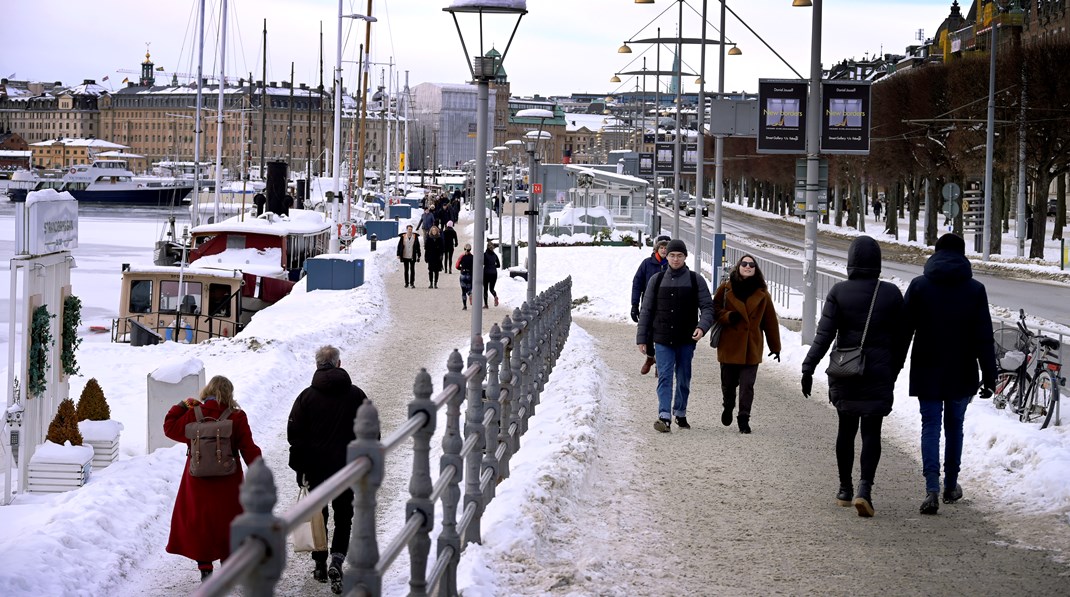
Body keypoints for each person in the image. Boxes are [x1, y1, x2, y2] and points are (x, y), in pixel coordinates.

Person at [801, 236, 908, 518]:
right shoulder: (891, 294)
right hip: (879, 372)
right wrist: (893, 369)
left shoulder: (839, 292)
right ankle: (865, 489)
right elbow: (902, 339)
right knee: (872, 432)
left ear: (850, 262)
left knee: (845, 429)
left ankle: (845, 489)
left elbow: (824, 336)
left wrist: (808, 367)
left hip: (846, 372)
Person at [903, 233, 997, 515]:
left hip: (926, 368)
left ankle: (931, 488)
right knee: (955, 427)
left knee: (930, 426)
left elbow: (903, 331)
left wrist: (892, 366)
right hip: (962, 368)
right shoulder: (975, 290)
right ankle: (951, 486)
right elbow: (984, 336)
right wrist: (990, 376)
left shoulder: (919, 286)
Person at [164, 375, 262, 581]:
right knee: (228, 521)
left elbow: (169, 427)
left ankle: (205, 568)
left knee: (202, 522)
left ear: (207, 391)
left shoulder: (193, 414)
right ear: (229, 393)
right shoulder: (237, 417)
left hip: (197, 480)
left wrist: (182, 405)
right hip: (228, 481)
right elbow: (248, 448)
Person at [287, 345, 369, 593]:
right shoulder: (356, 395)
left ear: (316, 365)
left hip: (315, 468)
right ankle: (337, 559)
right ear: (339, 364)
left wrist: (299, 468)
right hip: (346, 467)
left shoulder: (306, 397)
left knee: (318, 516)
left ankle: (320, 563)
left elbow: (295, 436)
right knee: (344, 515)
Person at [636, 239, 714, 432]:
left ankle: (680, 412)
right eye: (672, 255)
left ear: (685, 257)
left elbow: (708, 308)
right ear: (666, 256)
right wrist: (642, 338)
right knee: (664, 376)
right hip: (662, 338)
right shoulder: (657, 280)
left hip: (687, 339)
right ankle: (664, 416)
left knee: (683, 377)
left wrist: (702, 327)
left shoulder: (696, 280)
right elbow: (646, 310)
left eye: (679, 255)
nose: (675, 259)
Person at [712, 254, 782, 434]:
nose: (748, 266)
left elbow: (770, 322)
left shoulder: (762, 294)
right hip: (729, 344)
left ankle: (744, 418)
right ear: (738, 266)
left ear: (755, 269)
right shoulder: (725, 289)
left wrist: (776, 347)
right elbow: (714, 309)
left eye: (751, 264)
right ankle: (728, 406)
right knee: (728, 384)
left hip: (751, 346)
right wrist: (728, 316)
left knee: (747, 386)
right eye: (744, 264)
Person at [631, 236, 670, 375]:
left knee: (662, 335)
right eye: (662, 247)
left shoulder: (674, 265)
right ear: (657, 249)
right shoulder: (647, 264)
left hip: (667, 306)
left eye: (666, 247)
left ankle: (660, 363)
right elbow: (637, 284)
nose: (664, 250)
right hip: (649, 305)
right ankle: (650, 357)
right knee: (648, 334)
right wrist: (634, 304)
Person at [396, 224, 421, 289]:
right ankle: (406, 283)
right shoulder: (403, 236)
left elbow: (418, 246)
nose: (410, 230)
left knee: (412, 270)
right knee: (406, 270)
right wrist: (398, 254)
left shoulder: (415, 237)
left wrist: (419, 255)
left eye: (411, 229)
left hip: (412, 255)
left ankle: (412, 283)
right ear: (407, 230)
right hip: (405, 255)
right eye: (409, 229)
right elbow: (399, 246)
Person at [456, 243, 474, 310]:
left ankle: (464, 306)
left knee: (463, 291)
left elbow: (457, 265)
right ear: (470, 249)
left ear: (464, 249)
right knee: (469, 288)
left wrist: (460, 268)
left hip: (463, 274)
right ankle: (470, 294)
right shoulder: (473, 257)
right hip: (470, 274)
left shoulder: (462, 257)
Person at [483, 241, 501, 308]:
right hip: (494, 273)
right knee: (491, 288)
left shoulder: (485, 254)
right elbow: (498, 265)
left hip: (486, 273)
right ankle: (495, 296)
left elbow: (483, 263)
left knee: (485, 289)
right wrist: (493, 266)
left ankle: (486, 304)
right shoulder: (495, 255)